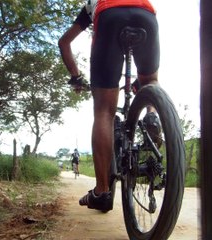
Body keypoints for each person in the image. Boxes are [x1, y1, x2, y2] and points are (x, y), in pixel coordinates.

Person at [58, 0, 160, 212]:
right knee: (150, 81)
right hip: (146, 14)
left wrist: (76, 77)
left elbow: (64, 43)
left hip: (109, 16)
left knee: (104, 111)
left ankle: (102, 191)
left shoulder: (91, 4)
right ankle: (152, 114)